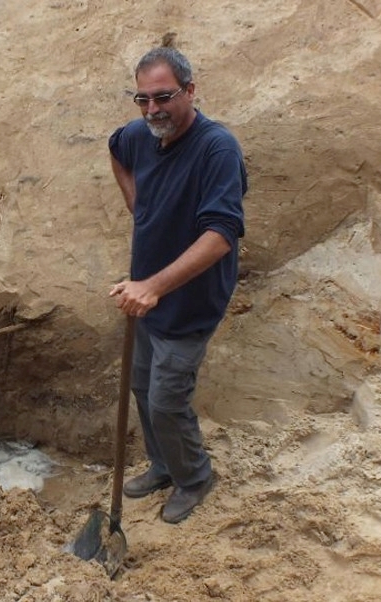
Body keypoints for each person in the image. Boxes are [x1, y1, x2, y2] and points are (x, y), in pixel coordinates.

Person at [107, 46, 247, 524]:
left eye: (163, 97)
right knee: (143, 388)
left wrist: (154, 286)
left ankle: (195, 477)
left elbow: (220, 237)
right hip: (147, 293)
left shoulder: (217, 149)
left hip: (188, 300)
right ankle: (164, 466)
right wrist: (141, 208)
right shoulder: (140, 135)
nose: (152, 110)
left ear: (190, 90)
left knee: (167, 399)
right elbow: (116, 149)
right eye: (142, 100)